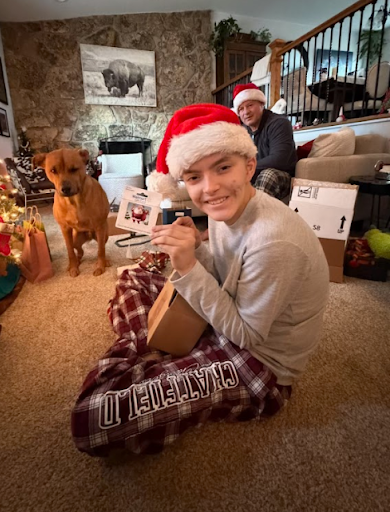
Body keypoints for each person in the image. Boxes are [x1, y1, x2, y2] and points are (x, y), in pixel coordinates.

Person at [71, 104, 329, 457]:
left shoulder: (274, 242)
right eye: (194, 176)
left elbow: (247, 334)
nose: (209, 188)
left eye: (223, 167)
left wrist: (190, 268)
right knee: (136, 276)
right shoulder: (224, 207)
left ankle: (147, 348)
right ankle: (150, 346)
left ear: (250, 165)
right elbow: (225, 276)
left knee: (94, 419)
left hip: (259, 364)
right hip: (225, 315)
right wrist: (198, 248)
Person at [232, 83, 297, 200]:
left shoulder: (279, 123)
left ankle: (257, 217)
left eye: (250, 105)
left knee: (267, 175)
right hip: (253, 174)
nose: (246, 112)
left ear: (261, 104)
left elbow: (279, 160)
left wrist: (245, 169)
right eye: (241, 109)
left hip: (281, 176)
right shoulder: (242, 130)